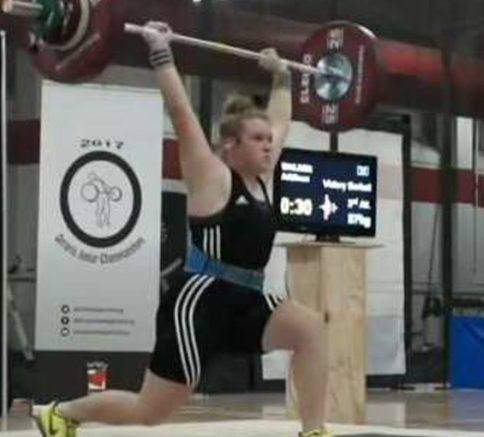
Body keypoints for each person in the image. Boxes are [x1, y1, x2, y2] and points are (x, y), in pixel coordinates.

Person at [36, 21, 330, 437]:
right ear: (230, 146)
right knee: (150, 412)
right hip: (199, 302)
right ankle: (62, 413)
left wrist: (281, 75)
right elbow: (181, 113)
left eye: (269, 139)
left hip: (246, 300)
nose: (269, 145)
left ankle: (313, 432)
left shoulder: (262, 177)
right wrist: (161, 52)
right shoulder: (212, 177)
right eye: (258, 139)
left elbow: (281, 117)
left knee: (310, 328)